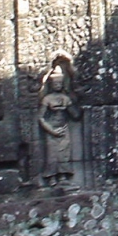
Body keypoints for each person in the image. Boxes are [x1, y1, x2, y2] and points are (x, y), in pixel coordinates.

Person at [39, 51, 81, 185]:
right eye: (55, 83)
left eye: (60, 82)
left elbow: (75, 115)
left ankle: (63, 176)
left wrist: (74, 102)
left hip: (64, 129)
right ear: (51, 84)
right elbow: (41, 118)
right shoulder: (47, 99)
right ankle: (52, 177)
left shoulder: (65, 98)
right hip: (51, 129)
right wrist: (51, 130)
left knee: (64, 154)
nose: (57, 85)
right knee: (52, 155)